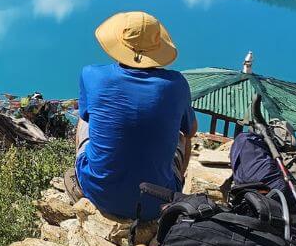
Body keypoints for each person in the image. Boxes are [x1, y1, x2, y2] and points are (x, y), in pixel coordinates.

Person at [63, 11, 197, 220]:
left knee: (84, 117)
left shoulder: (91, 74)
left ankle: (90, 173)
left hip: (100, 194)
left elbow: (89, 117)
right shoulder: (176, 84)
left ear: (119, 42)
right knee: (183, 134)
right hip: (158, 201)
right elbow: (192, 130)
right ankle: (175, 190)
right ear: (157, 46)